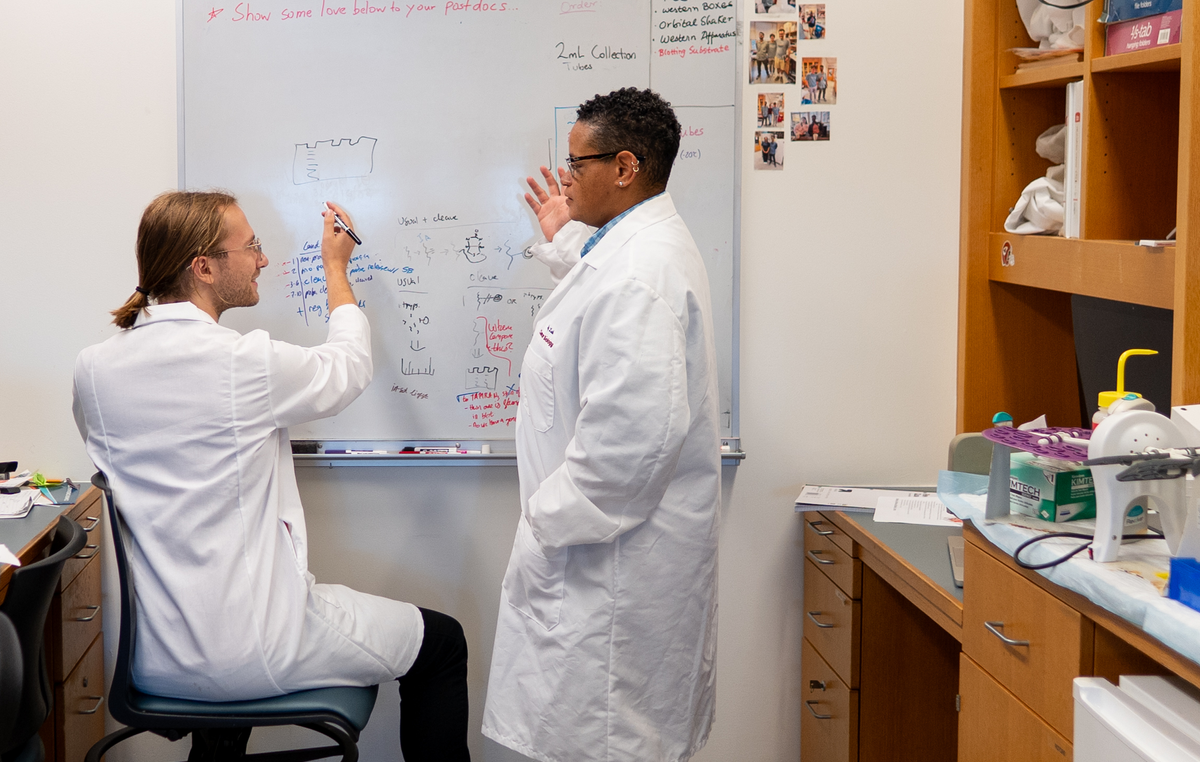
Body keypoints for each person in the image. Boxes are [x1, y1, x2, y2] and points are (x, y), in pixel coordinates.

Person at [71, 191, 470, 761]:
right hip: (250, 648)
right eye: (252, 246)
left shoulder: (95, 368)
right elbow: (348, 367)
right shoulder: (239, 363)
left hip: (153, 658)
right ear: (203, 267)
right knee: (443, 643)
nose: (262, 260)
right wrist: (336, 268)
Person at [484, 88, 722, 762]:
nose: (566, 176)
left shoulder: (640, 276)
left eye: (577, 164)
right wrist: (565, 239)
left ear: (624, 167)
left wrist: (544, 523)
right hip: (603, 556)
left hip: (605, 565)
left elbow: (628, 447)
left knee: (610, 741)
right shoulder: (630, 253)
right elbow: (598, 293)